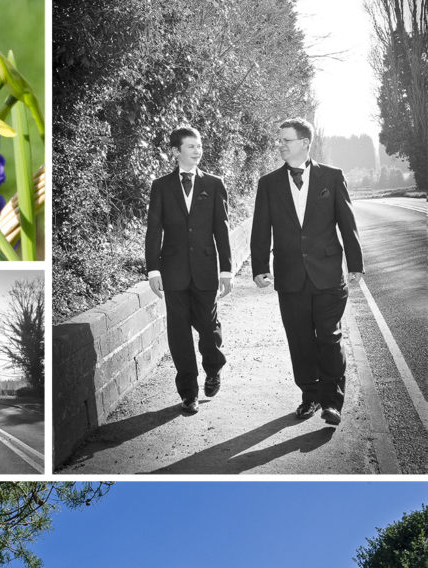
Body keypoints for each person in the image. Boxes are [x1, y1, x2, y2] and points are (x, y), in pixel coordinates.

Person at [250, 117, 364, 426]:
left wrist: (355, 264)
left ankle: (332, 402)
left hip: (327, 274)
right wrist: (259, 266)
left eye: (286, 140)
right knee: (299, 340)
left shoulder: (332, 177)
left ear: (304, 143)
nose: (281, 145)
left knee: (329, 336)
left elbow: (347, 223)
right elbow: (261, 228)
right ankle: (310, 396)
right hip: (290, 277)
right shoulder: (269, 183)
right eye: (280, 140)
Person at [145, 126, 233, 413]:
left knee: (209, 328)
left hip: (207, 270)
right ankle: (188, 392)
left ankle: (214, 367)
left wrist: (227, 270)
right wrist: (153, 270)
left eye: (199, 146)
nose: (198, 151)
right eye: (191, 146)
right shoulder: (161, 186)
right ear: (176, 151)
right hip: (173, 272)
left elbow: (223, 229)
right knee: (179, 333)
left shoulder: (215, 184)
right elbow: (154, 231)